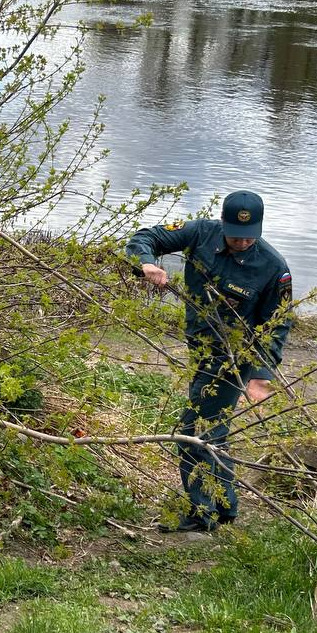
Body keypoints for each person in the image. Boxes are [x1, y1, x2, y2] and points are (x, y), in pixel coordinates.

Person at [126, 191, 294, 533]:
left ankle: (201, 511)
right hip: (200, 349)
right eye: (236, 235)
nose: (243, 241)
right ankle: (224, 504)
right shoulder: (200, 232)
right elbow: (147, 237)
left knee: (193, 431)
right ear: (222, 223)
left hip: (234, 358)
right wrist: (146, 262)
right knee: (212, 430)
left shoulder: (274, 268)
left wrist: (260, 376)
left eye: (250, 236)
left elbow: (276, 326)